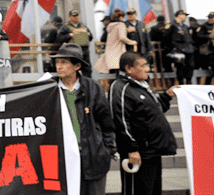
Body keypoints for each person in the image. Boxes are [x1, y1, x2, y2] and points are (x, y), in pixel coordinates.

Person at [51, 43, 116, 195]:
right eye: (57, 62)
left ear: (77, 65)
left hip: (93, 157)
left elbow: (106, 122)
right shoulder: (49, 88)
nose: (59, 66)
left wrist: (107, 151)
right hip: (62, 160)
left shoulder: (92, 87)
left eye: (64, 62)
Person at [109, 52, 177, 195]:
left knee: (152, 191)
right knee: (138, 191)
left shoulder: (141, 85)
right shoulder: (121, 87)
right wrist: (131, 149)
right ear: (129, 69)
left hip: (153, 150)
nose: (148, 69)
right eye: (143, 65)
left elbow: (154, 111)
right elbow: (120, 120)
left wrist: (167, 96)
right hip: (138, 153)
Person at [95, 9, 137, 83]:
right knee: (121, 74)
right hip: (118, 52)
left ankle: (113, 88)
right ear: (121, 17)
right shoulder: (121, 25)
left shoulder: (110, 26)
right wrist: (132, 42)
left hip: (110, 53)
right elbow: (122, 37)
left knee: (113, 75)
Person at [56, 10, 93, 74]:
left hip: (84, 50)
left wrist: (88, 34)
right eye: (73, 16)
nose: (76, 17)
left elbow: (91, 37)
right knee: (73, 69)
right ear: (70, 17)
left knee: (87, 69)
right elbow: (59, 38)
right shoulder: (65, 27)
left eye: (77, 16)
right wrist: (69, 35)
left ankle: (86, 83)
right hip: (72, 51)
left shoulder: (83, 26)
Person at [169, 10, 195, 84]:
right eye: (184, 15)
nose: (186, 17)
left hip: (188, 50)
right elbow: (166, 38)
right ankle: (181, 84)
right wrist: (172, 48)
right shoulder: (172, 25)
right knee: (180, 68)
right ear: (179, 15)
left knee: (190, 67)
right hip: (178, 50)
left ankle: (189, 83)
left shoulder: (185, 26)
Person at [195, 12, 214, 84]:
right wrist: (209, 36)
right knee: (206, 69)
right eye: (211, 18)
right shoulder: (204, 26)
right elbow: (199, 36)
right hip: (207, 51)